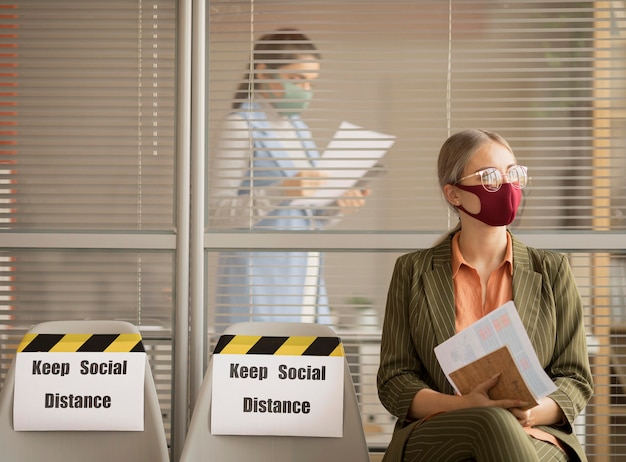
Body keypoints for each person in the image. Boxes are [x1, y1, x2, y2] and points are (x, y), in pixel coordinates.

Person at [377, 129, 594, 461]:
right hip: (441, 430)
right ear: (455, 195)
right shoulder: (412, 271)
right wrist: (462, 405)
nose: (507, 186)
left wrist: (532, 413)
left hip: (533, 431)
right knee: (489, 421)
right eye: (490, 176)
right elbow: (394, 380)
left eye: (513, 174)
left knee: (504, 430)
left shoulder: (552, 270)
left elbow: (574, 377)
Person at [209, 28, 369, 326]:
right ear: (263, 72)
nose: (305, 89)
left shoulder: (300, 131)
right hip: (257, 285)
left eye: (310, 82)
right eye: (297, 79)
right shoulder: (240, 127)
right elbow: (216, 215)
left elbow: (305, 215)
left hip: (305, 281)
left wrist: (336, 207)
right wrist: (280, 190)